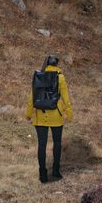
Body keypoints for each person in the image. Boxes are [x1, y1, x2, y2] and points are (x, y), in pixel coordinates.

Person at [26, 54, 73, 183]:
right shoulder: (61, 78)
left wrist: (28, 114)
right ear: (56, 64)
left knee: (42, 145)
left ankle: (43, 174)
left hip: (40, 115)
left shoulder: (39, 76)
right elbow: (66, 98)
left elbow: (32, 98)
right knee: (57, 143)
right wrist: (69, 114)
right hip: (56, 115)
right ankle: (56, 171)